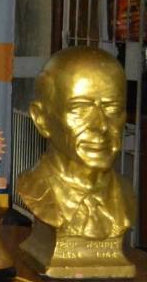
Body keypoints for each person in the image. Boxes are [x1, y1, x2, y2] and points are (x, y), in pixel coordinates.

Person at [17, 47, 134, 239]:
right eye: (80, 109)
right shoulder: (33, 190)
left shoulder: (126, 194)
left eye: (113, 109)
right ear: (41, 119)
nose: (101, 125)